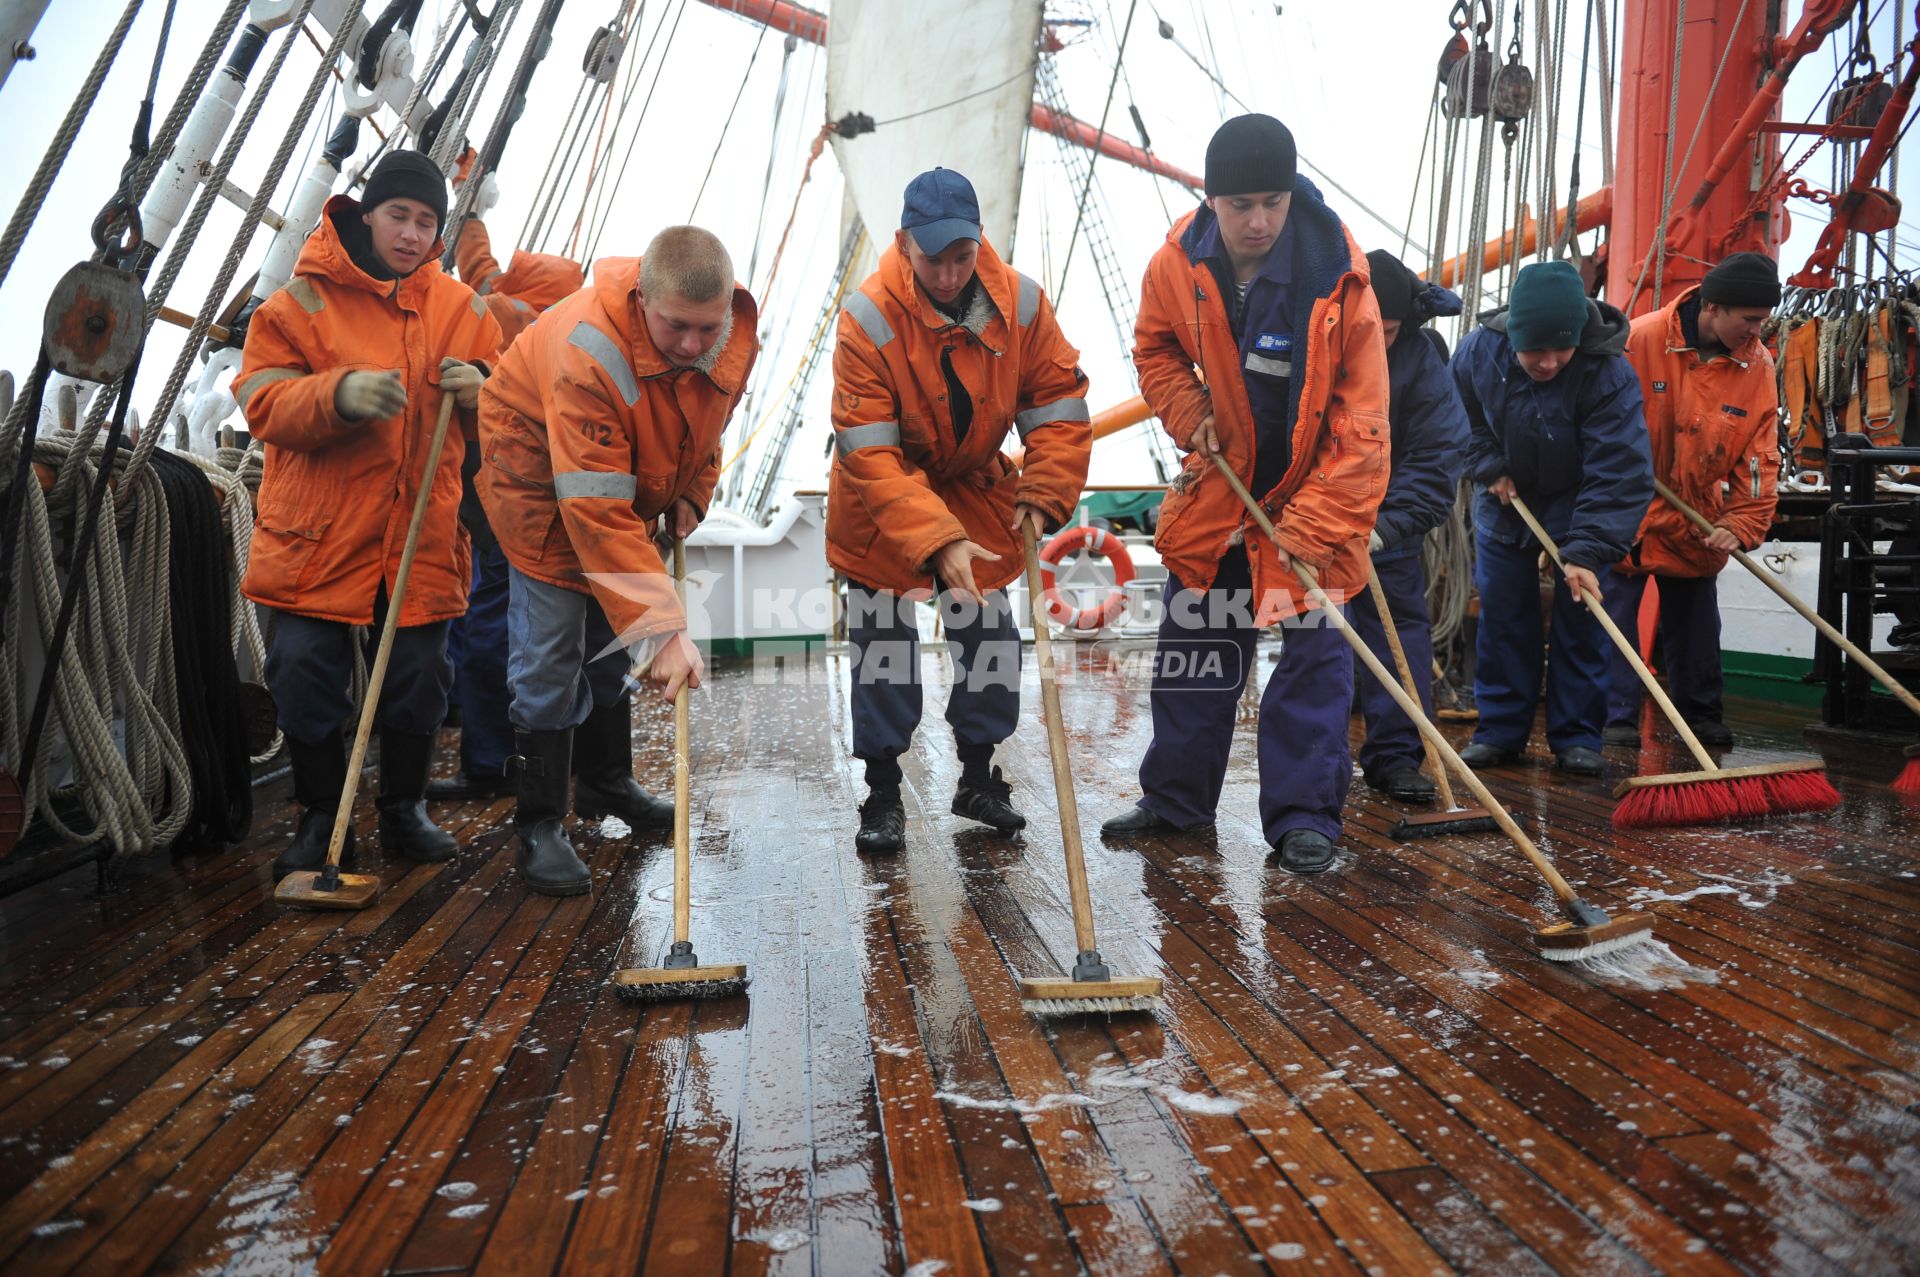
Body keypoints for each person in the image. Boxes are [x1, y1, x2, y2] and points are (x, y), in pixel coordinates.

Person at [1099, 113, 1391, 874]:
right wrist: (1188, 412)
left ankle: (1304, 819)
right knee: (1193, 656)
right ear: (1211, 200)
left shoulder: (1342, 282)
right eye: (1240, 206)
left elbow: (1362, 433)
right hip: (1220, 498)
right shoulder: (1175, 264)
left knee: (1313, 670)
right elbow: (1153, 347)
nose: (1258, 221)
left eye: (1273, 201)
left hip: (1313, 507)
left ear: (1291, 195)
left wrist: (1306, 530)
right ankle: (1175, 800)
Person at [233, 149, 503, 876]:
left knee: (419, 676)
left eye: (425, 221)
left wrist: (483, 389)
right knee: (302, 670)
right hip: (320, 531)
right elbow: (260, 398)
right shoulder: (301, 301)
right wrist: (339, 395)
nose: (411, 233)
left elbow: (512, 409)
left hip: (420, 533)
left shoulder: (462, 310)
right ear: (368, 212)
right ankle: (322, 818)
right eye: (398, 216)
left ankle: (403, 810)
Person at [477, 225, 757, 895]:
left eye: (705, 328)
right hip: (541, 482)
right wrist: (663, 628)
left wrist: (692, 489)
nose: (694, 346)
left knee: (607, 641)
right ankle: (539, 821)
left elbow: (706, 427)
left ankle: (605, 781)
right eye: (676, 328)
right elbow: (594, 511)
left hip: (619, 479)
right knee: (551, 654)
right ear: (642, 300)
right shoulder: (589, 350)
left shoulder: (727, 335)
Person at [829, 167, 1092, 855]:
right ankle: (882, 792)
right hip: (882, 496)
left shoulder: (1023, 306)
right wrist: (938, 540)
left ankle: (978, 777)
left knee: (993, 640)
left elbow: (1059, 412)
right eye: (931, 259)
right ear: (903, 245)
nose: (947, 276)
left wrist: (1045, 492)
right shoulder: (867, 318)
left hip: (975, 487)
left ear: (981, 243)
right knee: (883, 648)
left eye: (961, 257)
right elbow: (872, 456)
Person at [1453, 259, 1653, 774]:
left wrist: (1587, 550)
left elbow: (1619, 469)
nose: (1547, 362)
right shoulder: (1479, 352)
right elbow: (1456, 416)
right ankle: (1499, 731)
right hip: (1504, 498)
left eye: (1561, 348)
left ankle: (1578, 737)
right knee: (1503, 616)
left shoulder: (1608, 371)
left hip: (1581, 500)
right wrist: (1487, 465)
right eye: (1534, 349)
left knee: (1584, 617)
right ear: (1512, 333)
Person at [426, 210, 588, 801]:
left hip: (497, 503)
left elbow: (478, 265)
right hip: (542, 505)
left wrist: (469, 213)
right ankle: (571, 766)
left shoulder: (498, 307)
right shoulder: (564, 326)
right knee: (560, 645)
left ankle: (492, 762)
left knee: (491, 633)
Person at [1605, 253, 1782, 749]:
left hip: (1695, 516)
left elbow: (1758, 454)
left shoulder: (1757, 365)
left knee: (1698, 628)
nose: (1755, 331)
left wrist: (1742, 522)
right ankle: (1612, 717)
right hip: (1628, 508)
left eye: (1762, 321)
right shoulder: (1637, 341)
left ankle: (1702, 717)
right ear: (1713, 307)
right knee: (1613, 618)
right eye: (1749, 320)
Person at [1348, 250, 1471, 802]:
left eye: (1390, 330)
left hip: (1387, 534)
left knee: (1400, 641)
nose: (1379, 339)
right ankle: (1314, 772)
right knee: (1313, 648)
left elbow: (1438, 452)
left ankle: (1396, 758)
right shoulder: (1320, 341)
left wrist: (1387, 527)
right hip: (1314, 531)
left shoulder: (1422, 363)